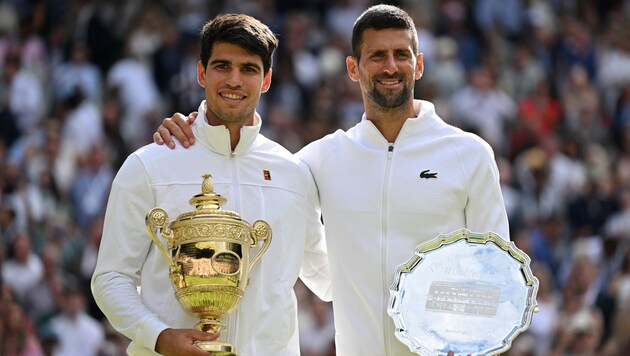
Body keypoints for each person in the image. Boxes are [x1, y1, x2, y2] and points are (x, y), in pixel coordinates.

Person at [155, 5, 509, 355]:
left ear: (419, 64)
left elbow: (497, 271)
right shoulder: (317, 160)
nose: (390, 66)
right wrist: (197, 134)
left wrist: (471, 344)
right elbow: (242, 165)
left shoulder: (469, 154)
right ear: (353, 68)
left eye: (401, 54)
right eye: (377, 56)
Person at [92, 13, 330, 356]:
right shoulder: (149, 164)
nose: (234, 80)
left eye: (248, 69)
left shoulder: (293, 174)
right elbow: (111, 278)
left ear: (266, 81)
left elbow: (326, 277)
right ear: (201, 73)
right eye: (222, 66)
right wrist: (159, 337)